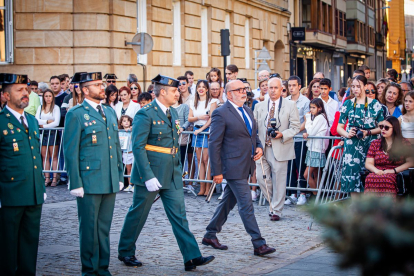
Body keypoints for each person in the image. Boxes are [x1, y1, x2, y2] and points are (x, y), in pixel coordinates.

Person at [117, 74, 214, 271]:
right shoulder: (146, 113)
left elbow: (173, 144)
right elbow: (138, 147)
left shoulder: (172, 113)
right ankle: (126, 251)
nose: (178, 93)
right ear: (162, 92)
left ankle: (191, 256)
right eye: (174, 91)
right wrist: (148, 176)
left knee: (179, 215)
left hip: (171, 171)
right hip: (151, 173)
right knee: (138, 213)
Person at [202, 79, 276, 256]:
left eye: (245, 89)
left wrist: (258, 146)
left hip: (246, 163)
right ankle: (258, 243)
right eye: (239, 89)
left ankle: (210, 234)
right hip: (232, 166)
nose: (244, 92)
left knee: (228, 201)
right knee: (246, 204)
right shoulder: (221, 113)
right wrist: (217, 171)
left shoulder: (248, 110)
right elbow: (214, 143)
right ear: (229, 94)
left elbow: (253, 135)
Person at [63, 72, 124, 275]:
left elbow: (115, 145)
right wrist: (75, 182)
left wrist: (119, 175)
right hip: (89, 180)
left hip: (109, 179)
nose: (102, 88)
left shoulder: (108, 111)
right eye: (97, 85)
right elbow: (70, 151)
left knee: (104, 228)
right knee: (89, 229)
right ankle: (89, 270)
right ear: (85, 89)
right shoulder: (76, 113)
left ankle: (103, 268)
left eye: (102, 84)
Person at [0, 73, 46, 276]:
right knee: (8, 246)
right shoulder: (2, 122)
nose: (25, 93)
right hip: (10, 195)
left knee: (30, 243)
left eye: (26, 89)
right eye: (19, 90)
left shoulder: (31, 121)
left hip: (33, 193)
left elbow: (35, 157)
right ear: (5, 96)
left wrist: (41, 187)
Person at [255, 77, 301, 217]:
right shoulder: (259, 106)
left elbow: (296, 127)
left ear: (282, 89)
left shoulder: (290, 105)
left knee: (279, 181)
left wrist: (283, 134)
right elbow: (253, 128)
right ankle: (273, 204)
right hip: (262, 148)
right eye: (270, 88)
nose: (273, 91)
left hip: (281, 147)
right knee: (261, 178)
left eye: (276, 88)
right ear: (266, 89)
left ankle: (276, 211)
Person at [336, 75, 385, 196]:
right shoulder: (347, 104)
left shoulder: (375, 104)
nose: (355, 89)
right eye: (353, 86)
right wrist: (347, 134)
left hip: (370, 143)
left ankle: (368, 208)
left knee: (369, 174)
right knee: (352, 175)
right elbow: (339, 127)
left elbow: (382, 127)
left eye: (358, 86)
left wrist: (368, 132)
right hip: (352, 145)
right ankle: (355, 208)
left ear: (365, 86)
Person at [364, 116, 413, 198]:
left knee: (387, 179)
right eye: (381, 127)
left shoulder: (403, 143)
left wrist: (393, 171)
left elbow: (411, 162)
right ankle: (371, 208)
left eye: (386, 128)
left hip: (396, 171)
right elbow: (368, 163)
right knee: (370, 178)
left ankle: (389, 208)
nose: (383, 129)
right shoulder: (375, 143)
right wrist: (376, 171)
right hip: (378, 171)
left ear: (394, 129)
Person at [188, 80, 218, 195]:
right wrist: (198, 117)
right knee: (199, 160)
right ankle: (202, 187)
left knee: (206, 160)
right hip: (196, 130)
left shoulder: (212, 101)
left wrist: (201, 129)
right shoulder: (193, 102)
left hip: (206, 130)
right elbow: (189, 118)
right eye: (199, 87)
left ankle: (208, 187)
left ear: (207, 89)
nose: (201, 89)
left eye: (203, 87)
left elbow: (212, 118)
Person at [285, 75, 310, 204]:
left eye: (294, 85)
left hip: (300, 139)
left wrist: (294, 131)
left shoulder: (305, 101)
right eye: (289, 85)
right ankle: (292, 193)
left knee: (300, 167)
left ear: (299, 86)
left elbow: (306, 121)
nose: (291, 88)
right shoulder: (286, 100)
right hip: (288, 140)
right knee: (290, 167)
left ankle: (303, 193)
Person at [303, 98, 330, 200]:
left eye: (314, 107)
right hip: (313, 148)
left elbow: (311, 131)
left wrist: (308, 118)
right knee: (316, 174)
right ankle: (319, 195)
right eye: (310, 107)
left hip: (316, 149)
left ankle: (316, 196)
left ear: (319, 108)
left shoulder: (320, 118)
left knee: (307, 174)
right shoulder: (317, 117)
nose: (311, 109)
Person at [36, 89, 61, 186]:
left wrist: (43, 125)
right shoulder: (40, 107)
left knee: (53, 156)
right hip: (43, 133)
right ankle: (47, 178)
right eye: (46, 96)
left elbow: (56, 122)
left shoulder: (56, 108)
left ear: (52, 97)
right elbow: (36, 120)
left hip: (52, 133)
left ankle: (55, 178)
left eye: (50, 96)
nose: (48, 98)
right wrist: (47, 122)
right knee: (45, 156)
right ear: (43, 97)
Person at [118, 115, 134, 192]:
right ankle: (129, 184)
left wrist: (131, 129)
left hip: (133, 152)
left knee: (134, 169)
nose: (126, 122)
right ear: (121, 123)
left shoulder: (132, 129)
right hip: (125, 152)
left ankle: (135, 184)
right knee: (128, 169)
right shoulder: (120, 132)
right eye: (124, 121)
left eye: (128, 120)